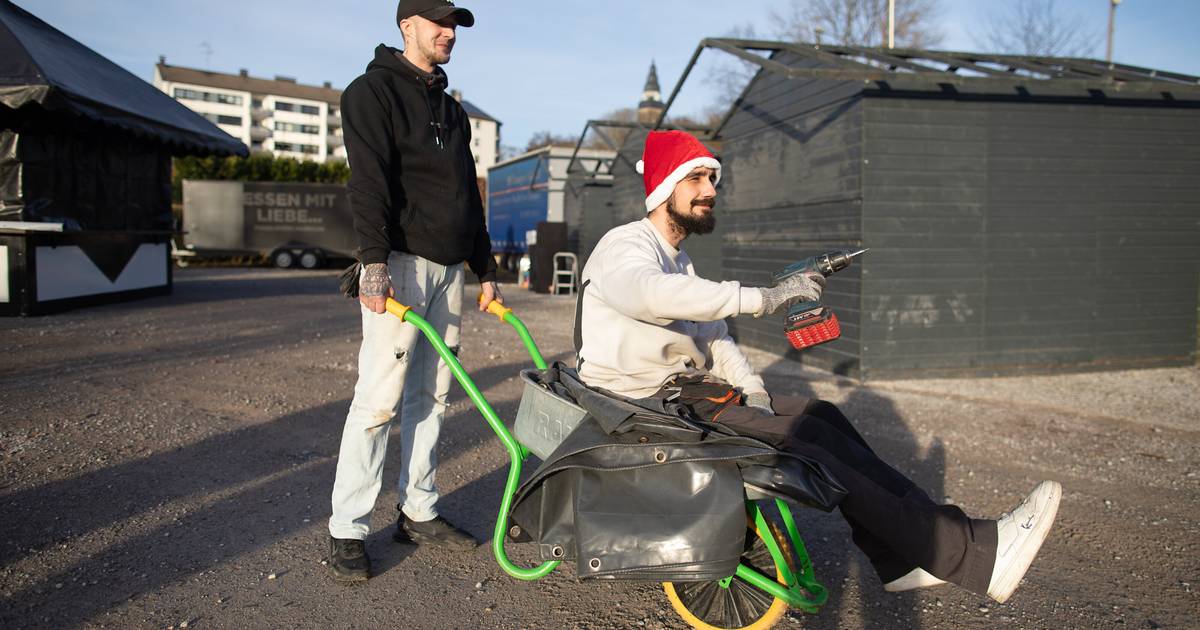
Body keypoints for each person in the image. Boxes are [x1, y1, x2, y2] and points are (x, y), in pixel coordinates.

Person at [574, 129, 1061, 603]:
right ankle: (973, 556)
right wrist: (765, 298)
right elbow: (651, 294)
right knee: (806, 443)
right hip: (642, 407)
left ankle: (900, 558)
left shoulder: (678, 261)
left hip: (684, 395)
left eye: (713, 179)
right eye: (696, 178)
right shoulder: (625, 247)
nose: (710, 191)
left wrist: (752, 389)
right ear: (664, 188)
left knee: (823, 417)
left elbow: (715, 336)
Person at [327, 0, 499, 581]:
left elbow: (467, 196)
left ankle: (419, 511)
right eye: (439, 22)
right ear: (408, 26)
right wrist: (374, 265)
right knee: (379, 399)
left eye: (455, 25)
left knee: (433, 396)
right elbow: (368, 182)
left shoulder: (452, 110)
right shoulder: (371, 93)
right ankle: (347, 528)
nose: (449, 33)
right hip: (399, 265)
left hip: (449, 270)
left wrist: (486, 269)